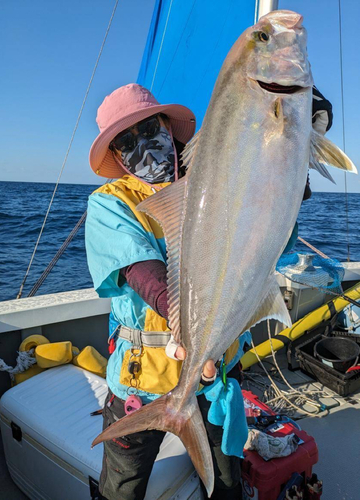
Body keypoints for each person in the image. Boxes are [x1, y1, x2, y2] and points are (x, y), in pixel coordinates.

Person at [85, 83, 333, 500]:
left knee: (226, 482)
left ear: (168, 127)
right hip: (141, 381)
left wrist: (290, 176)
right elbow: (144, 275)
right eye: (126, 142)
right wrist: (194, 339)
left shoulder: (218, 184)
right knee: (122, 490)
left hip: (217, 373)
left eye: (150, 129)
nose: (143, 147)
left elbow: (271, 243)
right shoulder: (109, 204)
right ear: (118, 159)